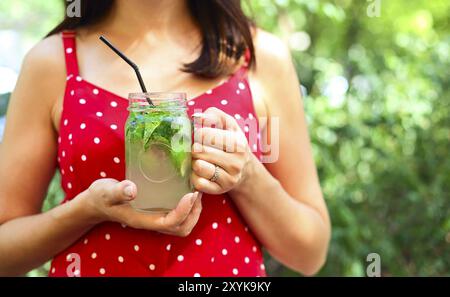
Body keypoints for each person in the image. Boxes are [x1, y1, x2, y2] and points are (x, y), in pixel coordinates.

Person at [0, 0, 330, 277]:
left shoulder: (259, 57)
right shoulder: (52, 62)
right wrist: (86, 211)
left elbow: (309, 253)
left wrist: (247, 175)